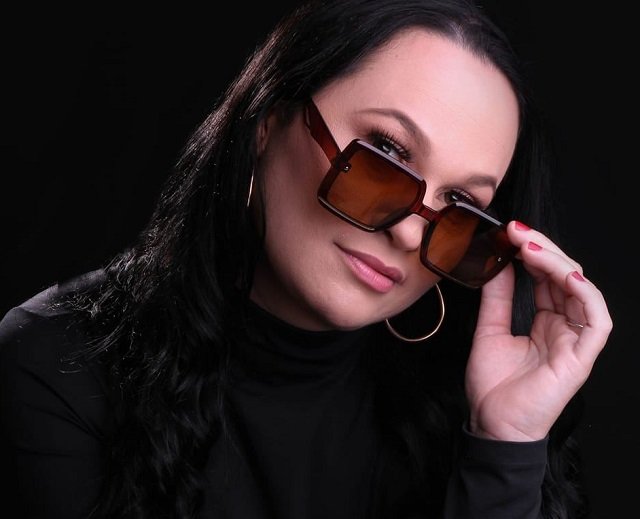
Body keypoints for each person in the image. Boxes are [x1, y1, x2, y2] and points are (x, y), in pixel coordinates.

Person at [0, 0, 613, 517]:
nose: (409, 234)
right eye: (385, 152)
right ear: (269, 122)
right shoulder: (56, 363)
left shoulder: (459, 404)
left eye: (461, 204)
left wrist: (504, 447)